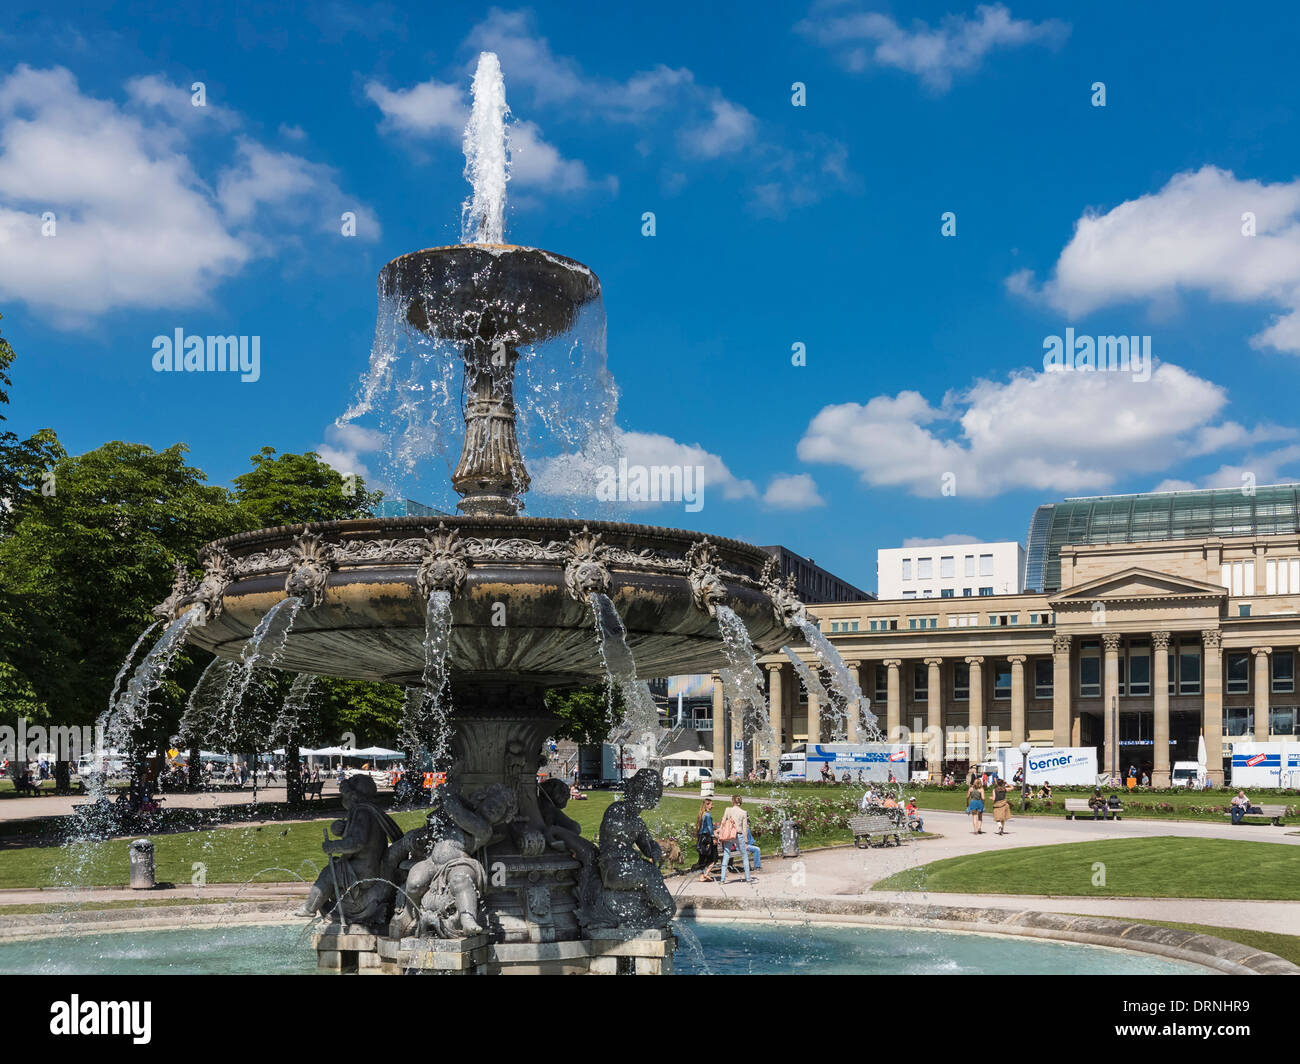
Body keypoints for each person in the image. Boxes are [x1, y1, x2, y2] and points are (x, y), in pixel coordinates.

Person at [718, 795, 752, 883]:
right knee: (744, 856)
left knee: (726, 855)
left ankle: (722, 879)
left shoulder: (728, 810)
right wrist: (746, 841)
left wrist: (720, 835)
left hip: (729, 835)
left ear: (733, 801)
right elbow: (745, 828)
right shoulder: (744, 812)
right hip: (739, 834)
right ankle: (748, 878)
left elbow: (723, 822)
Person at [692, 798, 718, 881]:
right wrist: (713, 838)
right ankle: (706, 874)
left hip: (701, 837)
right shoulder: (708, 815)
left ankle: (702, 876)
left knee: (704, 857)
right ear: (707, 805)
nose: (712, 806)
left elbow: (705, 826)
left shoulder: (702, 814)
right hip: (707, 838)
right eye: (711, 804)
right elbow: (710, 828)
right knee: (714, 858)